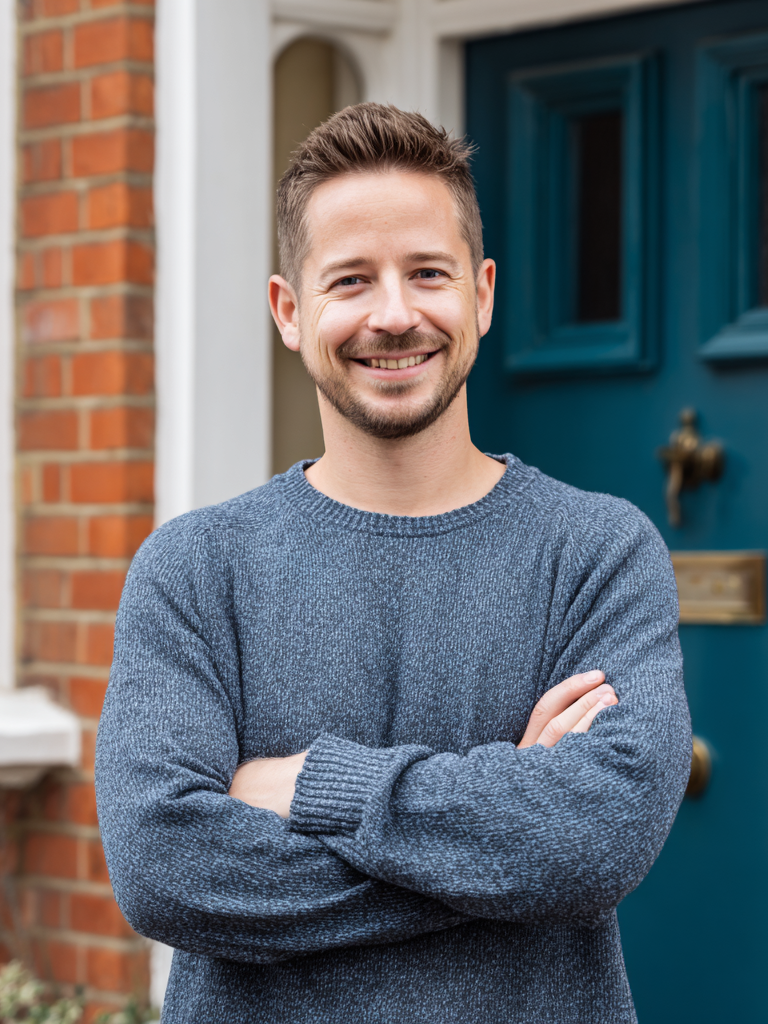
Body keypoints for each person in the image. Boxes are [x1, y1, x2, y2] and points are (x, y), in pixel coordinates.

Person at [95, 103, 690, 1024]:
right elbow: (165, 869)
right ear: (290, 312)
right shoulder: (195, 569)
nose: (395, 314)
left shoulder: (598, 554)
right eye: (350, 281)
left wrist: (309, 786)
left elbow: (598, 840)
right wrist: (503, 841)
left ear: (483, 295)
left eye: (427, 273)